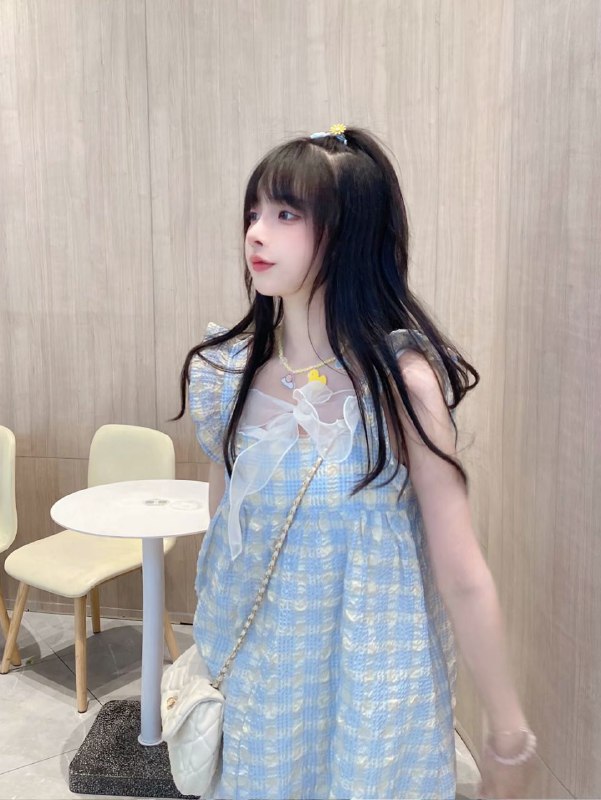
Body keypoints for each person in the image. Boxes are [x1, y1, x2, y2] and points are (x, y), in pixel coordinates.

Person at [173, 124, 537, 799]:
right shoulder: (227, 377)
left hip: (373, 708)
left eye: (286, 214)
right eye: (254, 212)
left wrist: (507, 734)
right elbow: (226, 539)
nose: (256, 233)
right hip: (263, 702)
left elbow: (462, 574)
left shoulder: (400, 387)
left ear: (349, 234)